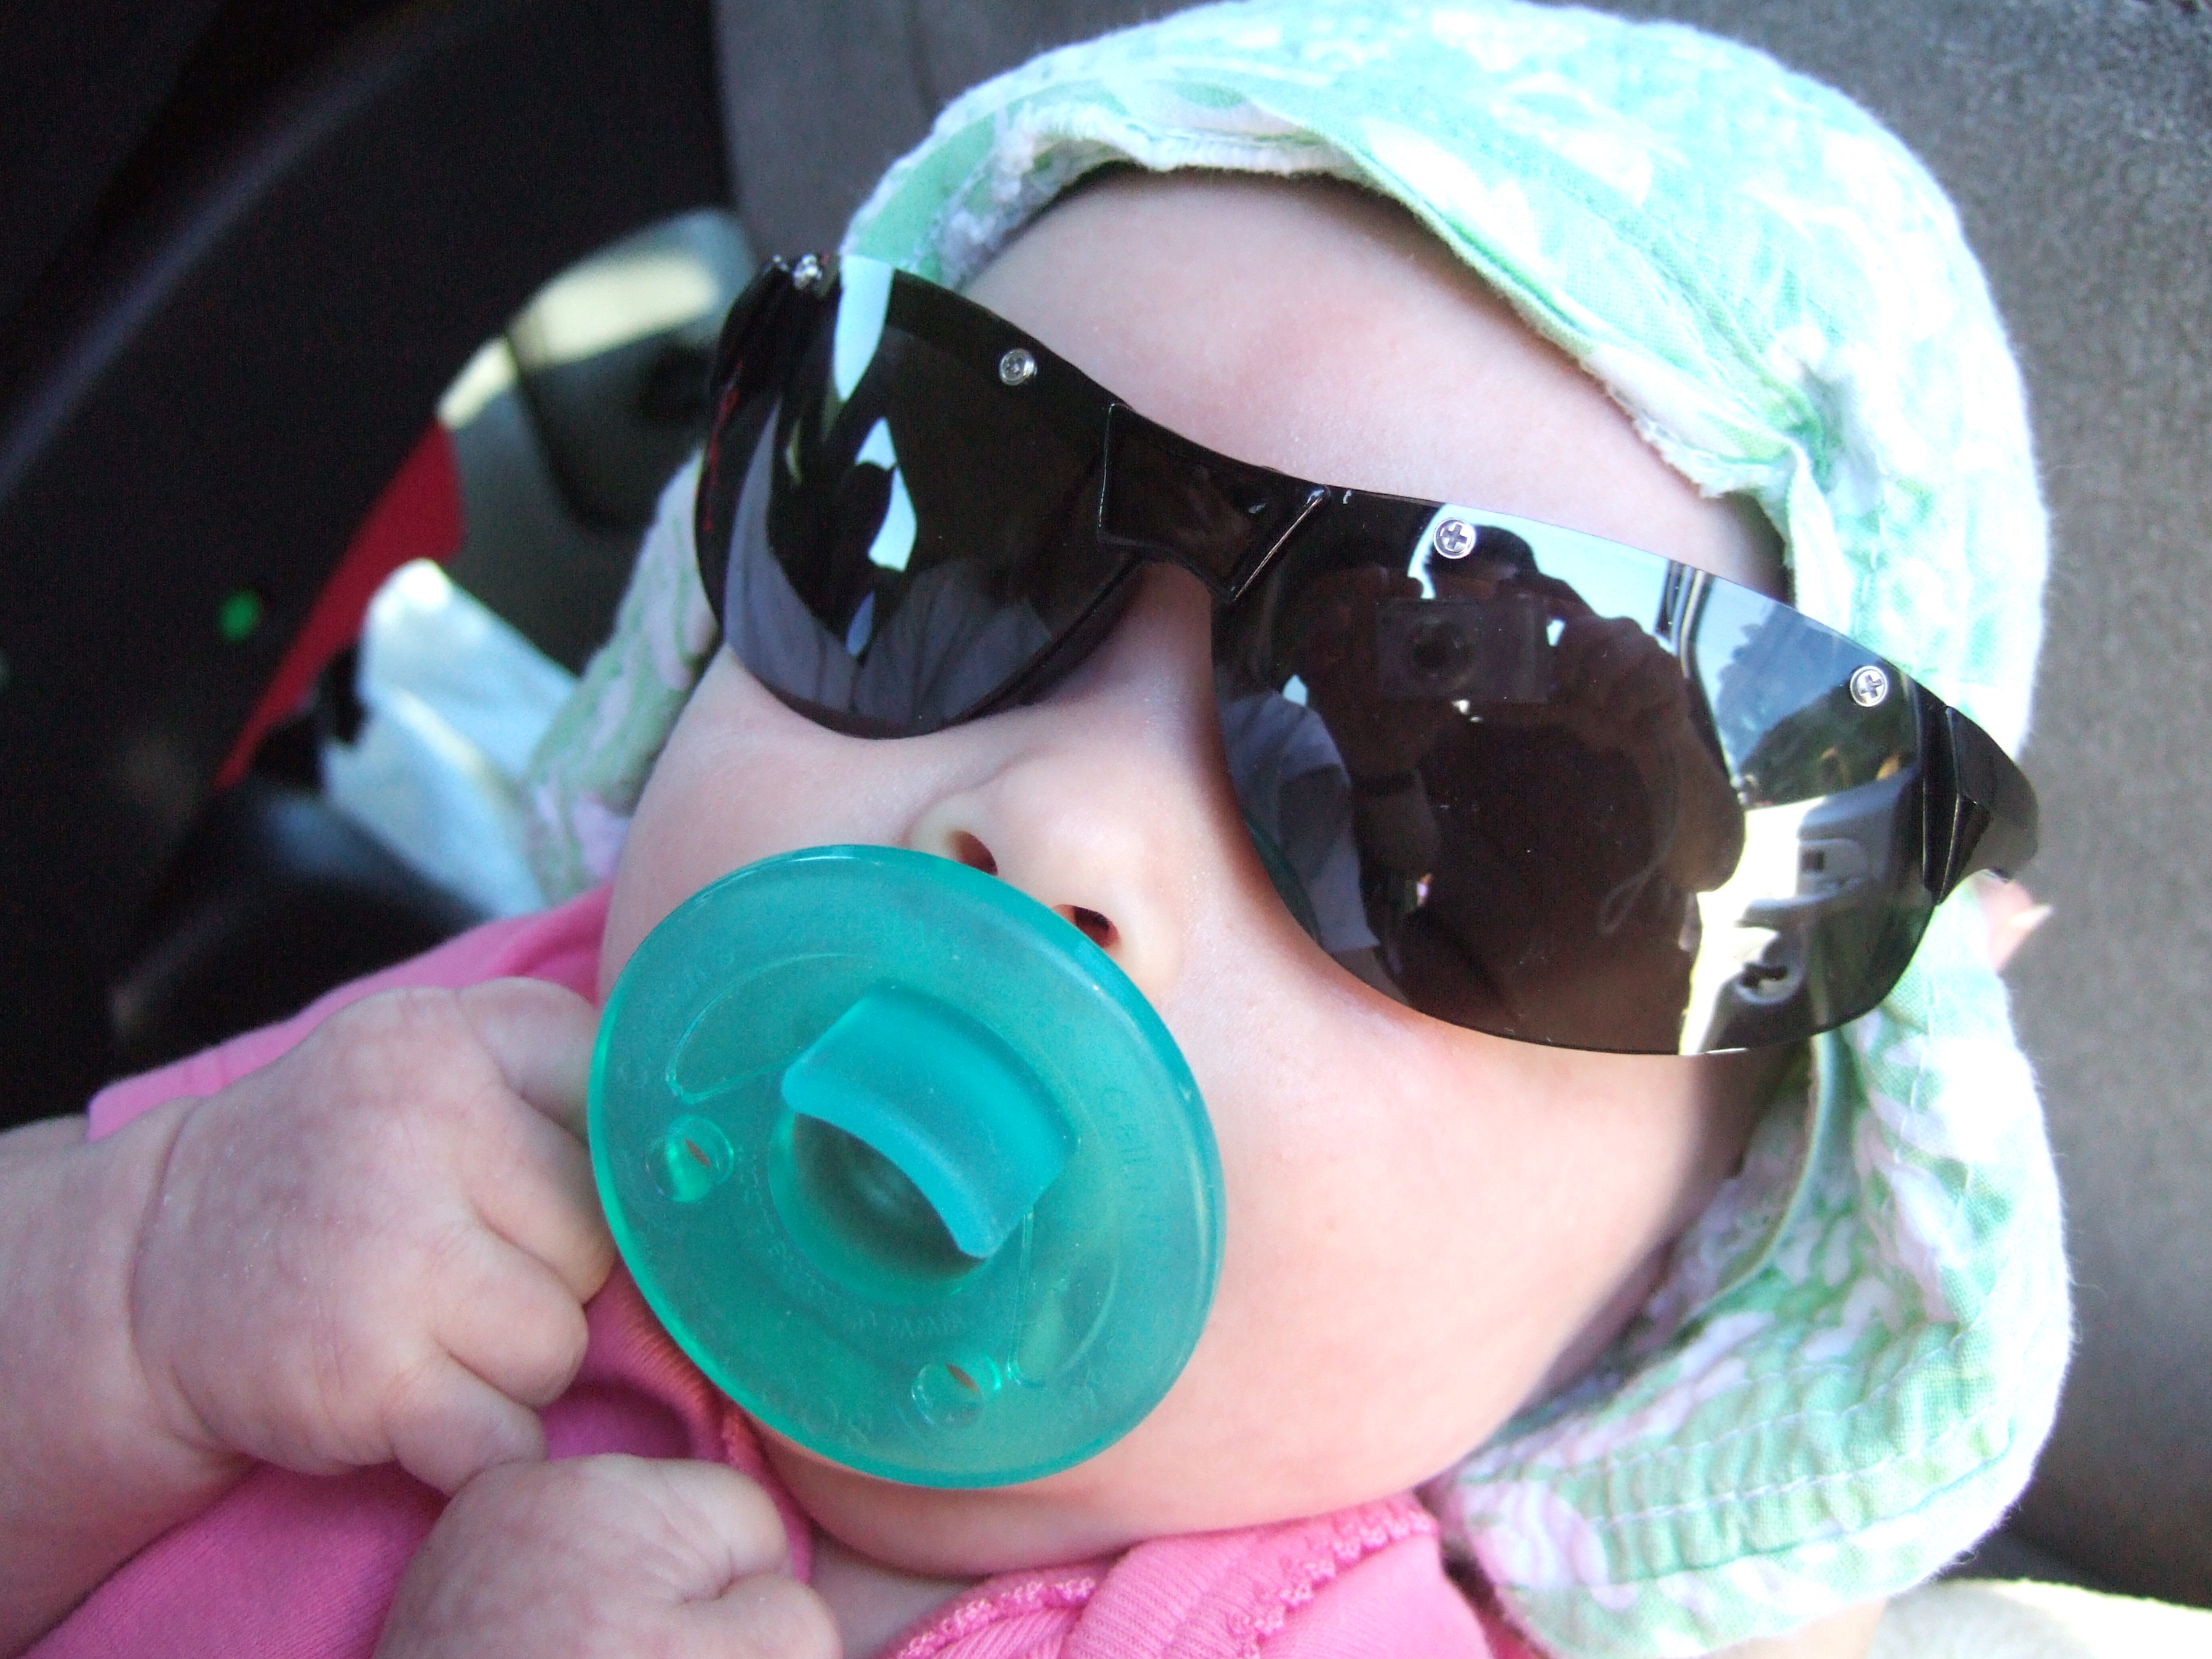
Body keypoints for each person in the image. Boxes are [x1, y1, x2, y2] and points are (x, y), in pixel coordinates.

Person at [0, 4, 2078, 1656]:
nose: (1057, 814)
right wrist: (138, 1292)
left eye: (1455, 809)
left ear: (1722, 1206)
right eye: (950, 547)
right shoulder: (462, 1097)